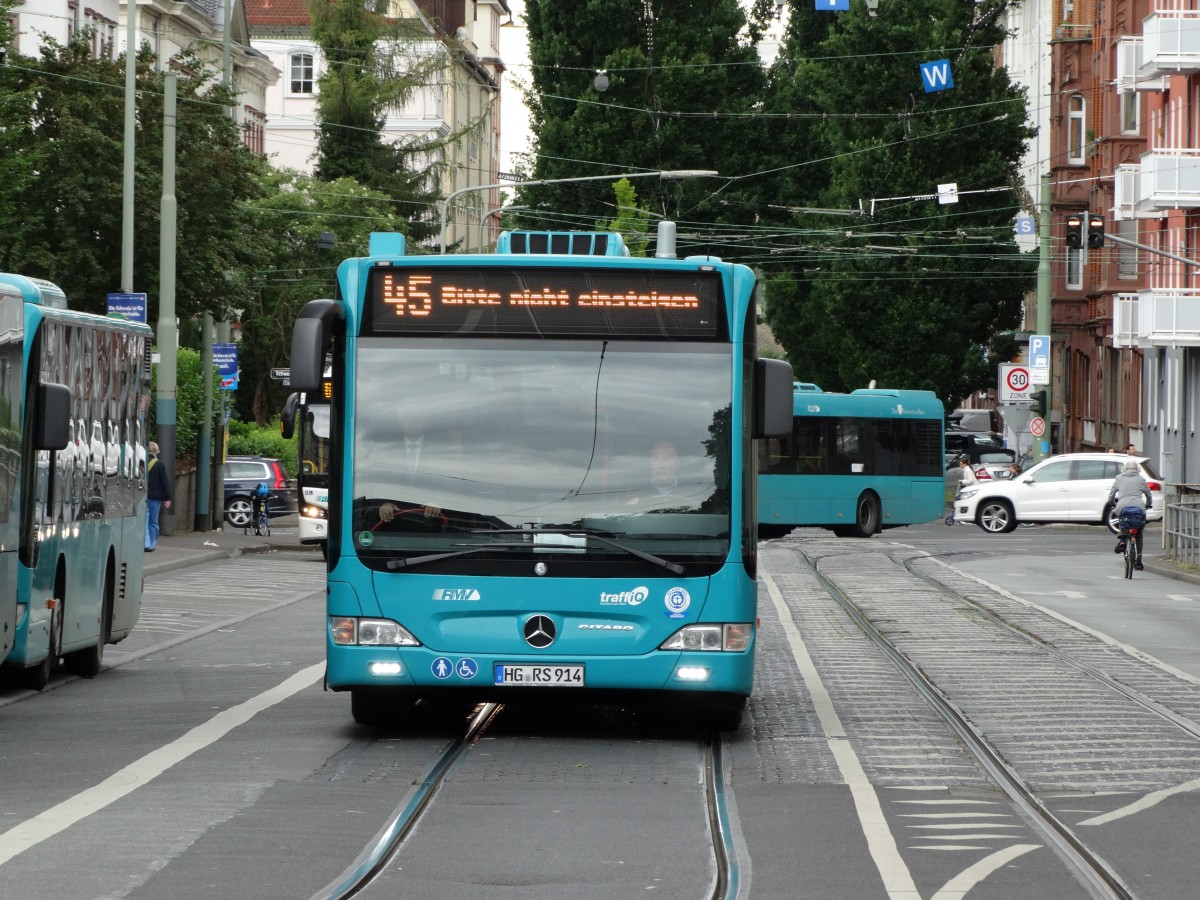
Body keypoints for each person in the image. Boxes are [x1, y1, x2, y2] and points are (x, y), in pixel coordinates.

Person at [1110, 459, 1152, 570]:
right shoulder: (1141, 479)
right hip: (1138, 507)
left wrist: (1112, 503)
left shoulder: (1119, 478)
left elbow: (1112, 494)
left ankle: (1123, 540)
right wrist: (1148, 504)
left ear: (1124, 469)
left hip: (1122, 506)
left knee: (1123, 520)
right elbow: (1148, 494)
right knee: (1139, 533)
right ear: (1137, 469)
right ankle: (1139, 561)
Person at [627, 440, 681, 507]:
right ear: (650, 463)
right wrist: (630, 506)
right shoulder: (634, 493)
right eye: (656, 459)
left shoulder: (692, 490)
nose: (661, 465)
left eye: (666, 459)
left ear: (676, 462)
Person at [145, 441, 172, 552]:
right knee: (153, 521)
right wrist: (167, 498)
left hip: (142, 497)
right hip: (155, 498)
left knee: (144, 520)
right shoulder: (160, 465)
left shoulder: (140, 462)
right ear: (156, 451)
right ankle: (152, 544)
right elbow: (165, 482)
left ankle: (145, 543)